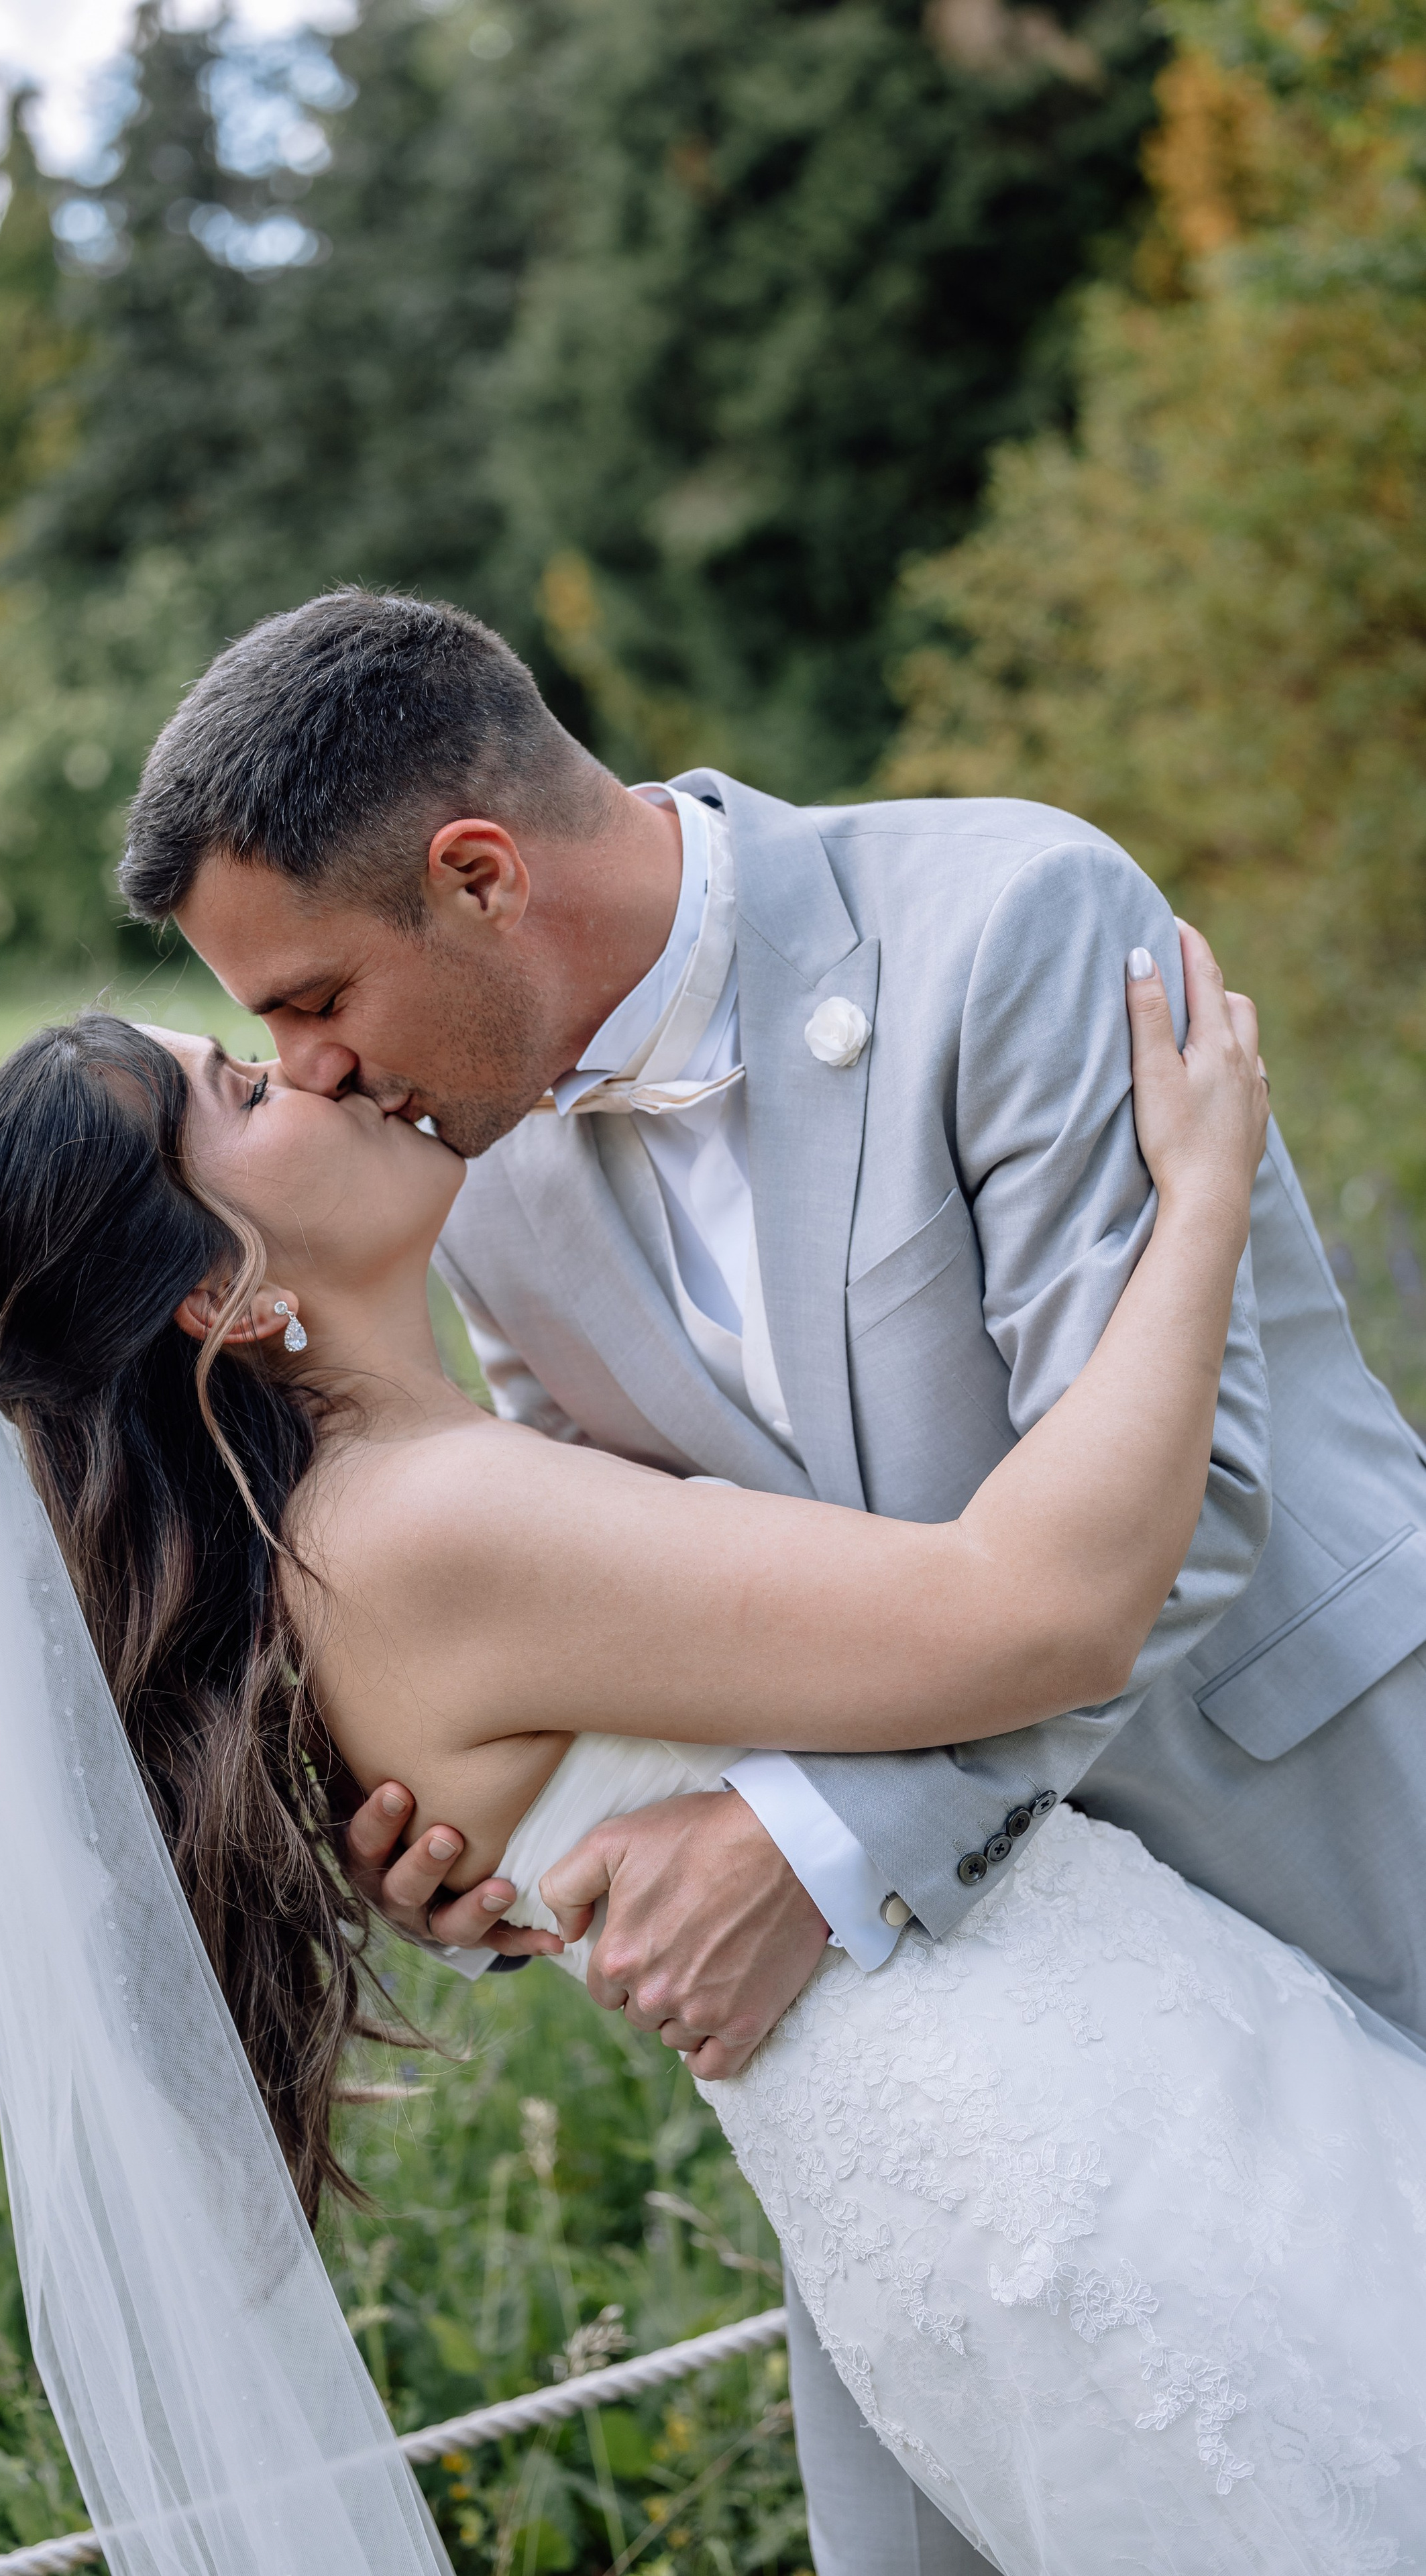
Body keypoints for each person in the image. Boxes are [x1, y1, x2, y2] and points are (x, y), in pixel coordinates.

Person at [119, 591, 1426, 2576]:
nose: (307, 1073)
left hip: (1306, 1837)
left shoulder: (1014, 923)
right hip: (987, 2059)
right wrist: (508, 1842)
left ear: (477, 877)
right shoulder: (479, 1159)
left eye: (312, 1001)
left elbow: (1188, 1509)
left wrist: (816, 1841)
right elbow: (639, 1586)